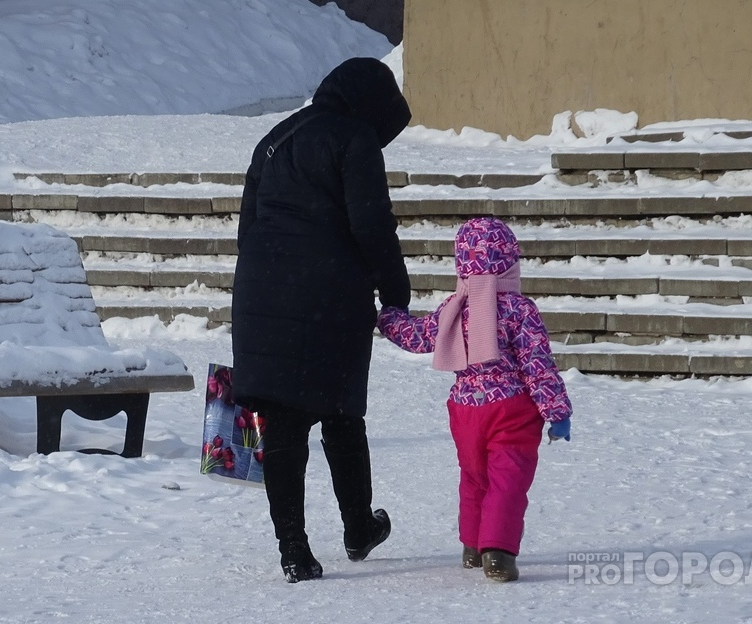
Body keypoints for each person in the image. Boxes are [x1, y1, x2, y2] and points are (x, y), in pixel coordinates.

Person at [230, 57, 412, 583]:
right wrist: (394, 289)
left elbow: (248, 229)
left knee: (283, 425)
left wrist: (271, 281)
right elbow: (371, 221)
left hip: (263, 298)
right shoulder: (352, 137)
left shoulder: (274, 138)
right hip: (331, 294)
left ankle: (294, 550)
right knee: (341, 415)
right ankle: (358, 527)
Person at [376, 217, 572, 582]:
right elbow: (538, 365)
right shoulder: (518, 309)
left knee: (474, 477)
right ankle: (497, 552)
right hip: (511, 408)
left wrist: (389, 318)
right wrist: (556, 411)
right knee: (507, 479)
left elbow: (418, 335)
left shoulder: (455, 307)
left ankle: (471, 547)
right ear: (510, 261)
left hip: (465, 411)